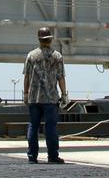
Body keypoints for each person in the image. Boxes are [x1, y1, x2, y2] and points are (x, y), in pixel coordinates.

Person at [23, 26, 68, 164]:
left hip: (34, 98)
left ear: (39, 39)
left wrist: (25, 93)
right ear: (51, 39)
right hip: (51, 98)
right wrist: (64, 94)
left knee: (33, 126)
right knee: (51, 128)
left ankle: (32, 157)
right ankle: (53, 156)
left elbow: (27, 77)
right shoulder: (57, 56)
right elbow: (60, 77)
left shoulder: (31, 55)